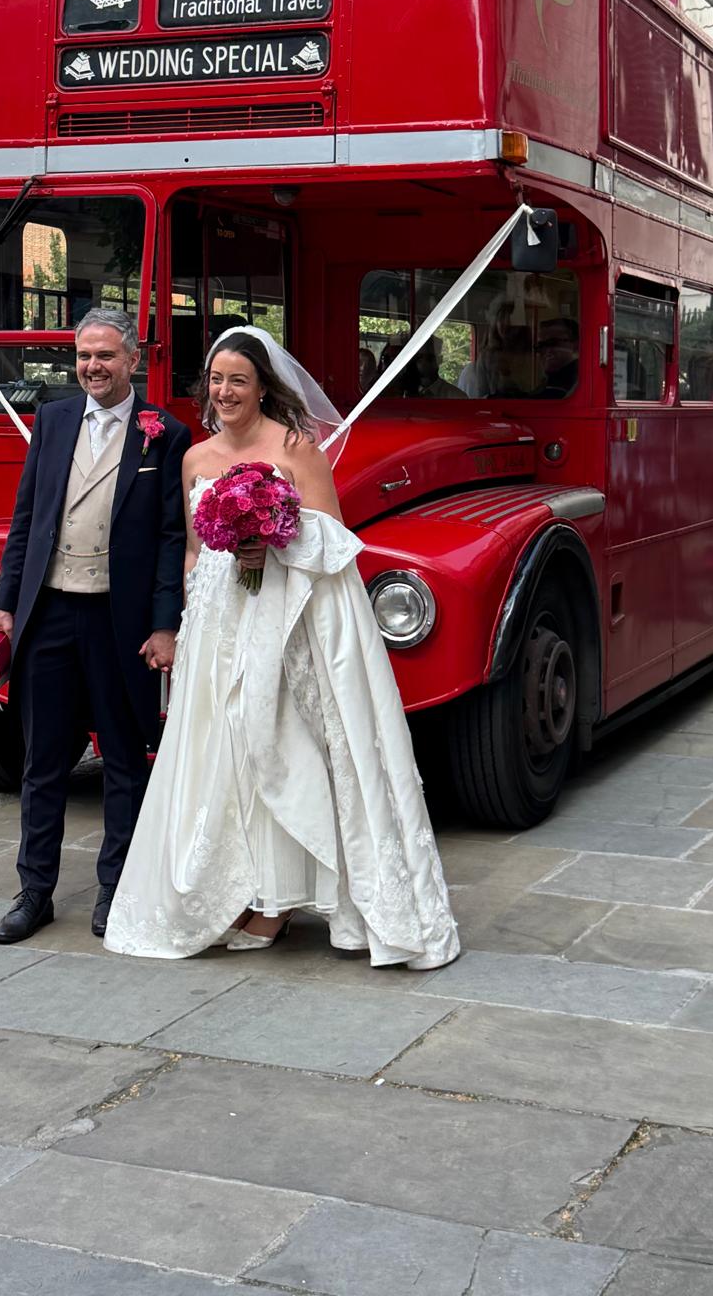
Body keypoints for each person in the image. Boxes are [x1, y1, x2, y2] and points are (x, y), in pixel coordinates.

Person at [104, 325, 460, 969]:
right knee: (226, 754)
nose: (225, 391)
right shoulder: (194, 458)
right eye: (216, 380)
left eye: (238, 380)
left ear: (263, 386)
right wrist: (183, 624)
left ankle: (280, 901)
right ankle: (247, 889)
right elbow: (190, 548)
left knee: (277, 747)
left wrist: (271, 540)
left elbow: (334, 541)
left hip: (282, 619)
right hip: (217, 622)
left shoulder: (297, 448)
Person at [0, 308, 190, 945]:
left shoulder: (165, 434)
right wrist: (5, 603)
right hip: (50, 614)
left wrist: (164, 625)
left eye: (105, 356)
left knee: (125, 758)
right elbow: (27, 521)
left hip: (118, 620)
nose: (92, 367)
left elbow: (170, 538)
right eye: (83, 356)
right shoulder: (53, 419)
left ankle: (114, 888)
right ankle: (34, 892)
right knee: (43, 760)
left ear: (132, 361)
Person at [534, 317, 579, 399]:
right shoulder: (549, 382)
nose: (546, 350)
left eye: (553, 343)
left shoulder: (569, 384)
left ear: (575, 345)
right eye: (541, 346)